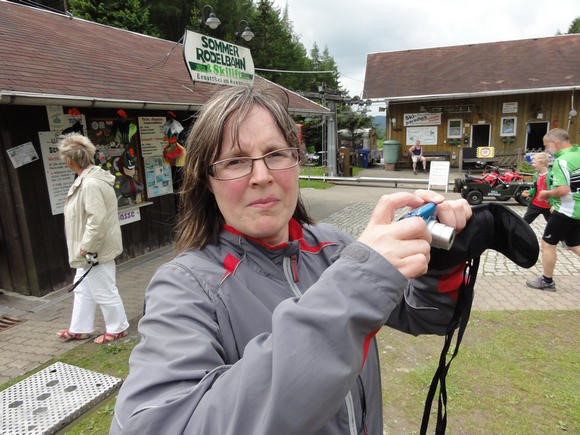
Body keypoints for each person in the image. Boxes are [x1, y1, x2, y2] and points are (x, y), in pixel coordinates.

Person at [111, 85, 473, 434]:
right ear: (207, 180)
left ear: (296, 161)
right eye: (235, 161)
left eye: (275, 154)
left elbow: (428, 316)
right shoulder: (185, 287)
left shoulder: (334, 248)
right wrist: (355, 285)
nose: (262, 176)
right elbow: (160, 425)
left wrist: (443, 256)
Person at [56, 133, 129, 344]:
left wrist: (87, 246)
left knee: (104, 289)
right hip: (90, 249)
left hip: (94, 250)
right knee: (82, 289)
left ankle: (118, 328)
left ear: (70, 161)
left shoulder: (90, 184)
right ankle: (79, 329)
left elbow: (96, 220)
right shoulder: (90, 179)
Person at [526, 128, 580, 291]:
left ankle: (547, 281)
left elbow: (563, 190)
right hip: (577, 210)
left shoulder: (561, 161)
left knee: (548, 243)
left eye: (547, 147)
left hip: (567, 210)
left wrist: (546, 194)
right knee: (574, 244)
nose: (547, 151)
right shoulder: (578, 154)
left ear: (554, 143)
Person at [521, 152, 552, 224]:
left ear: (543, 163)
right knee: (524, 223)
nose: (532, 165)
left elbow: (555, 190)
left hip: (548, 207)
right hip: (535, 204)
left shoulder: (551, 175)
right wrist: (530, 192)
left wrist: (554, 205)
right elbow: (536, 188)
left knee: (553, 226)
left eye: (534, 163)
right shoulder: (536, 175)